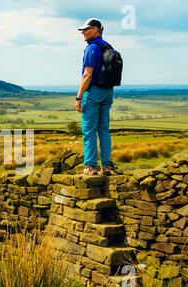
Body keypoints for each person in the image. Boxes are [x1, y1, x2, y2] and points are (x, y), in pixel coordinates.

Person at [75, 18, 116, 176]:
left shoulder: (92, 48)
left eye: (86, 29)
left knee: (89, 130)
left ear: (96, 29)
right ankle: (107, 166)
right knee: (104, 129)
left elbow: (87, 75)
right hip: (108, 92)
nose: (83, 32)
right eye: (82, 30)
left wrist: (79, 98)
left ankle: (91, 167)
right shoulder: (108, 46)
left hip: (93, 92)